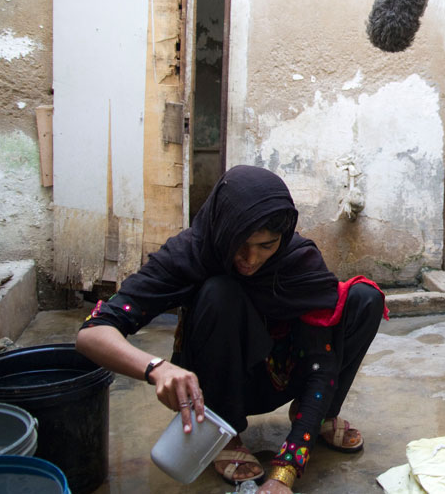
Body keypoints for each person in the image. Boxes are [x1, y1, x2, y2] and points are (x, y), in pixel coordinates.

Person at [76, 165, 386, 493]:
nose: (250, 259)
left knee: (364, 298)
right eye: (240, 244)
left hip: (283, 372)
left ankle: (320, 415)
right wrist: (156, 369)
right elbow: (92, 333)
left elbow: (319, 365)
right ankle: (223, 431)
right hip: (215, 381)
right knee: (219, 291)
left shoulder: (298, 262)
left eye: (266, 246)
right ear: (222, 227)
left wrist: (288, 466)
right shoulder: (190, 253)